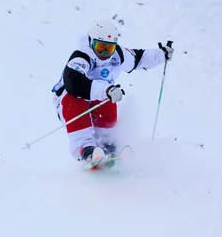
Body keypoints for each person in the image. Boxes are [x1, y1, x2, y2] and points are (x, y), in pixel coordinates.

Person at [51, 20, 174, 167]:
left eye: (109, 48)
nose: (104, 53)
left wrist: (161, 54)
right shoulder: (82, 56)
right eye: (100, 47)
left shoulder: (117, 55)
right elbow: (73, 82)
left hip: (98, 100)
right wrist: (105, 90)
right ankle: (85, 149)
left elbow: (138, 58)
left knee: (109, 99)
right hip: (68, 104)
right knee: (80, 97)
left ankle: (106, 143)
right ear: (91, 43)